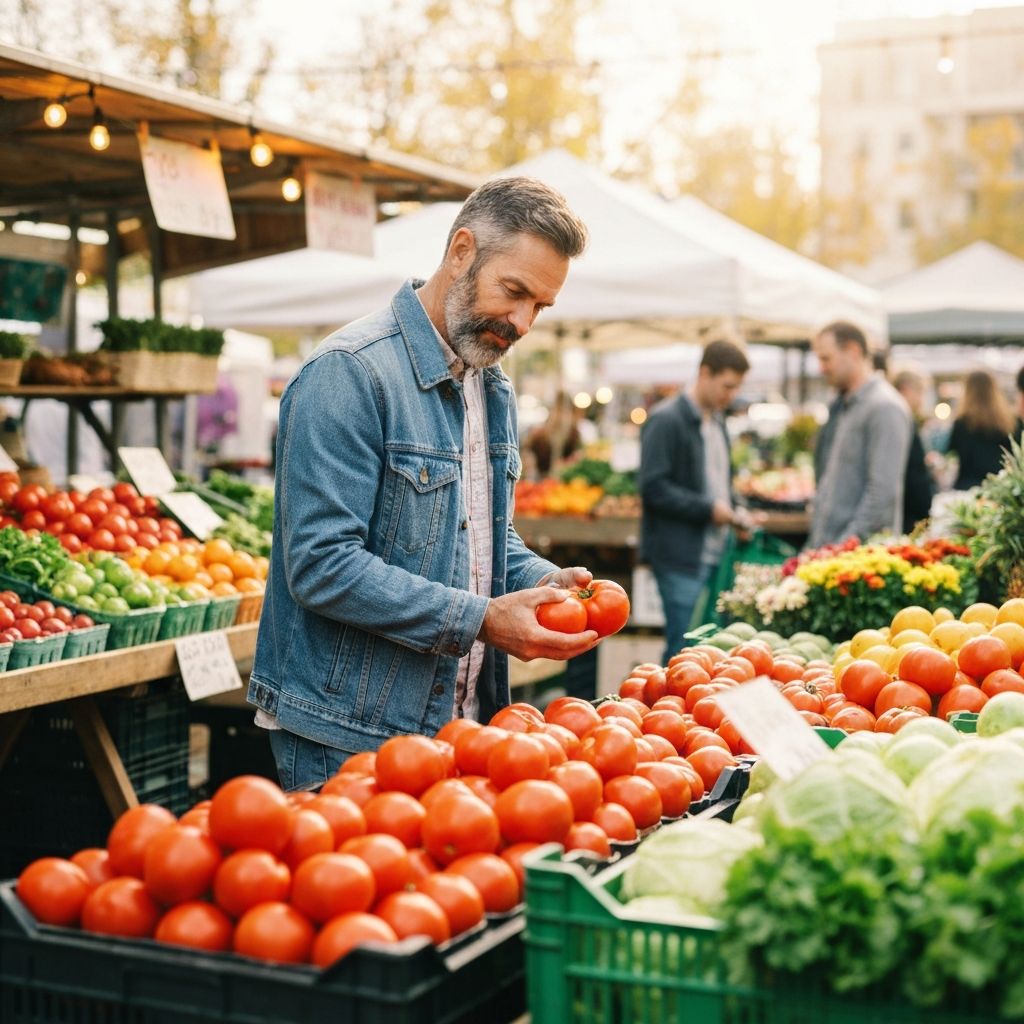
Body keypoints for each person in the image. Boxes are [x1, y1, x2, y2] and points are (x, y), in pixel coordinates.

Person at [249, 177, 600, 790]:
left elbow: (484, 538)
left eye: (540, 307)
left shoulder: (491, 387)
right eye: (514, 292)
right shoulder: (349, 374)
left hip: (460, 725)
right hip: (350, 736)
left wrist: (542, 580)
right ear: (461, 251)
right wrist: (482, 619)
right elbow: (320, 564)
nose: (522, 322)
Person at [638, 339, 753, 665]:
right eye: (727, 385)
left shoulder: (716, 421)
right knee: (683, 649)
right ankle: (670, 713)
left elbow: (720, 482)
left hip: (716, 552)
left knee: (710, 649)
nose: (730, 395)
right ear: (705, 373)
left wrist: (736, 511)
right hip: (680, 557)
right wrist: (709, 510)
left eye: (735, 388)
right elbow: (653, 487)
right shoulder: (667, 420)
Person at [808, 321, 911, 547]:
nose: (821, 368)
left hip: (856, 565)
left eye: (826, 358)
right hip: (834, 556)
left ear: (853, 351)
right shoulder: (845, 405)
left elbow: (881, 497)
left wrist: (840, 549)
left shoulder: (884, 407)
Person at [945, 369, 1016, 490]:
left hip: (968, 485)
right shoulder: (1008, 422)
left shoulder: (962, 423)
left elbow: (951, 450)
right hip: (1000, 486)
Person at [891, 366, 935, 532]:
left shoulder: (902, 419)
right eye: (920, 392)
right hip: (907, 514)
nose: (921, 400)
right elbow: (913, 473)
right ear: (905, 390)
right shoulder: (902, 420)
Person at [524, 391, 583, 477]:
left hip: (565, 482)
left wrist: (570, 462)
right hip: (540, 481)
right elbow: (527, 452)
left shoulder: (574, 434)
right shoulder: (539, 435)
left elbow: (578, 456)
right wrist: (528, 458)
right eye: (558, 410)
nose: (560, 415)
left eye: (564, 411)